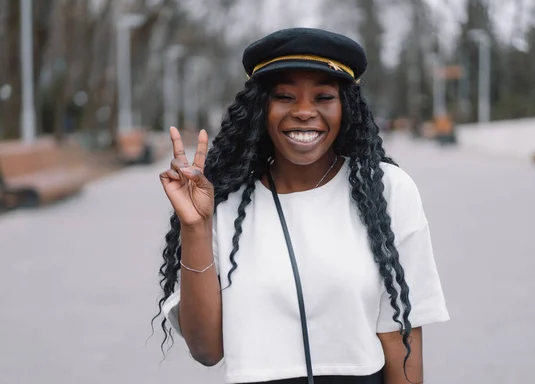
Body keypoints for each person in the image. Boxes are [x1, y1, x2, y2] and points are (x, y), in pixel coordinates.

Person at [155, 27, 449, 384]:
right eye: (285, 97)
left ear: (346, 108)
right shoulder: (223, 201)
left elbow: (399, 337)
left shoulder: (387, 190)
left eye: (324, 97)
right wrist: (196, 228)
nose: (305, 112)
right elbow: (206, 350)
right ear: (261, 108)